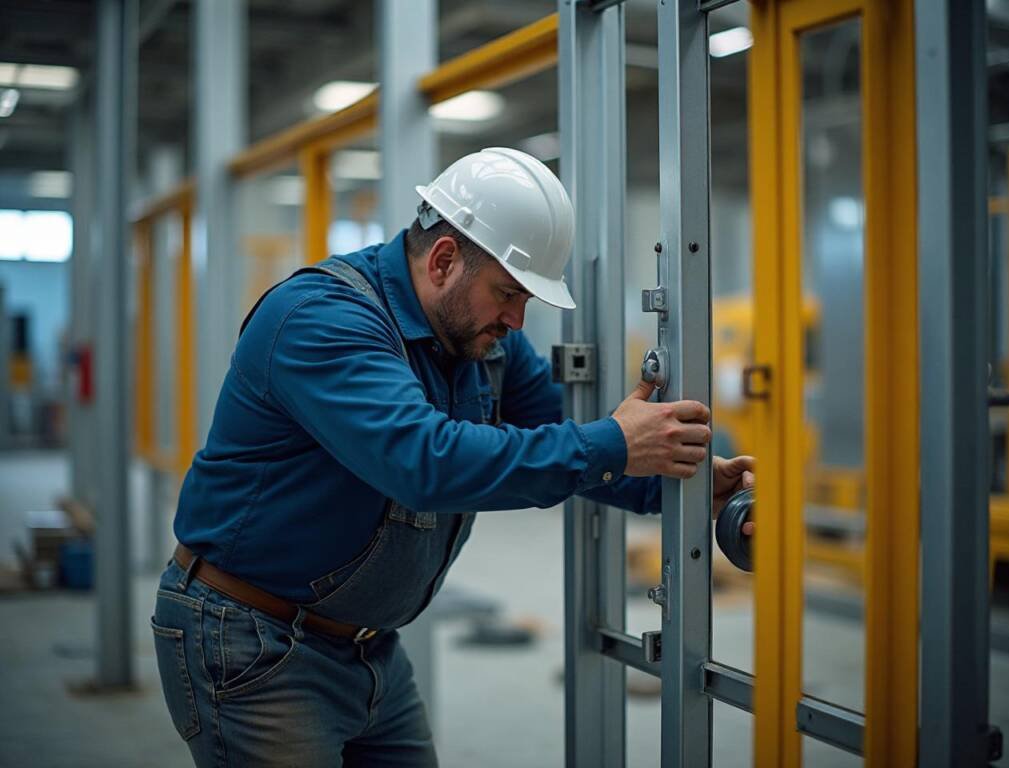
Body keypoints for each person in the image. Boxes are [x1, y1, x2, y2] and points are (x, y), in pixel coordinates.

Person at [152, 147, 754, 767]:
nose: (518, 320)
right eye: (508, 293)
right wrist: (613, 443)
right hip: (255, 640)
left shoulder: (479, 345)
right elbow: (423, 462)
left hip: (366, 645)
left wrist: (681, 487)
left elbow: (562, 438)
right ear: (444, 261)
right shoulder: (322, 318)